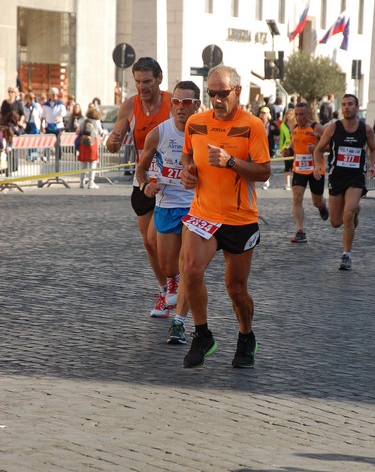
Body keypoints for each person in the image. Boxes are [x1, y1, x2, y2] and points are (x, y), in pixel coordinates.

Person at [180, 65, 270, 369]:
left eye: (223, 93)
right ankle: (203, 334)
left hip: (240, 218)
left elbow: (264, 170)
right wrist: (187, 172)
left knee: (236, 288)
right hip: (203, 213)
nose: (217, 99)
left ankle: (246, 336)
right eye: (212, 93)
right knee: (190, 269)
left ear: (238, 92)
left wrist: (232, 162)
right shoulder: (195, 122)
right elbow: (187, 155)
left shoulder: (252, 125)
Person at [106, 57, 173, 317]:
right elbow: (117, 137)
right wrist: (113, 141)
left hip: (170, 182)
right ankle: (164, 291)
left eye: (147, 81)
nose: (142, 87)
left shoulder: (171, 104)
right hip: (143, 180)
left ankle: (176, 284)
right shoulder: (130, 105)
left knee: (159, 237)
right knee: (149, 243)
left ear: (159, 78)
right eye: (137, 82)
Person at [136, 81, 200, 344]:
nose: (180, 108)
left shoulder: (204, 133)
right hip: (166, 205)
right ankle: (171, 284)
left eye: (187, 103)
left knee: (189, 265)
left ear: (197, 104)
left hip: (195, 207)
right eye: (176, 102)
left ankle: (180, 322)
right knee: (168, 266)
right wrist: (145, 186)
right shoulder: (159, 133)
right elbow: (141, 169)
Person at [313, 93, 375, 271]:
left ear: (357, 107)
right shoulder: (333, 128)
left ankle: (346, 255)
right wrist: (318, 167)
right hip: (337, 176)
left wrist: (373, 165)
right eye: (343, 104)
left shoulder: (366, 129)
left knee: (347, 214)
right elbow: (318, 150)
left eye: (350, 104)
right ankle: (354, 210)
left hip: (356, 177)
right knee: (335, 222)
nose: (346, 107)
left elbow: (373, 149)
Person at [290, 102, 329, 243]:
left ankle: (322, 206)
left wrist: (318, 148)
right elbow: (295, 144)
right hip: (299, 168)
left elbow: (331, 145)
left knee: (316, 201)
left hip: (316, 169)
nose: (299, 117)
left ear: (308, 114)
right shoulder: (293, 127)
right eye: (296, 114)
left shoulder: (317, 128)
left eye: (302, 114)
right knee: (297, 197)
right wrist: (288, 148)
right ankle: (300, 231)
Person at [75, 104, 103, 189]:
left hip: (83, 143)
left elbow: (77, 131)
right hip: (92, 143)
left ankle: (81, 182)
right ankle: (91, 183)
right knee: (92, 163)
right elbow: (100, 131)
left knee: (83, 163)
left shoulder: (84, 121)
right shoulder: (96, 122)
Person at [41, 87, 67, 161]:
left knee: (58, 142)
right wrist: (41, 126)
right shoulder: (46, 104)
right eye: (53, 94)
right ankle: (46, 156)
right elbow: (43, 116)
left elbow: (64, 112)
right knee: (47, 141)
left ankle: (58, 157)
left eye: (56, 94)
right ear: (50, 95)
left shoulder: (60, 104)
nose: (54, 96)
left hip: (58, 126)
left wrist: (59, 116)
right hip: (48, 125)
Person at [279, 108, 296, 190]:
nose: (289, 116)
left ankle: (295, 183)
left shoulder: (296, 124)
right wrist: (281, 148)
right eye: (287, 114)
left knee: (294, 165)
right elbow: (281, 138)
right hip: (286, 147)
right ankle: (287, 183)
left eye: (291, 114)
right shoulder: (283, 125)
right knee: (287, 166)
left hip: (295, 146)